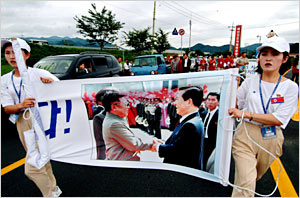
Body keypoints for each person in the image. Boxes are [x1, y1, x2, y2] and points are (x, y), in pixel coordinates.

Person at [228, 35, 298, 197]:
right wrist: (230, 87)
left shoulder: (291, 87)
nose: (268, 58)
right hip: (245, 134)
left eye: (275, 54)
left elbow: (279, 119)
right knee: (246, 183)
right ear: (259, 58)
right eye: (264, 54)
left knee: (254, 177)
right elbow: (236, 105)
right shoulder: (249, 82)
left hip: (272, 138)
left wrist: (246, 114)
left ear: (285, 58)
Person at [1, 38, 62, 197]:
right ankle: (54, 189)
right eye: (8, 53)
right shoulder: (5, 79)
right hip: (22, 121)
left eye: (16, 52)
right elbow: (7, 108)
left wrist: (49, 85)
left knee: (32, 167)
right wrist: (21, 105)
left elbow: (63, 93)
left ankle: (49, 194)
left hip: (42, 119)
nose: (11, 56)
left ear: (27, 55)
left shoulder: (39, 73)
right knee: (41, 158)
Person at [101, 89, 159, 161]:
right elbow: (134, 144)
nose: (128, 107)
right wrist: (152, 144)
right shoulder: (114, 124)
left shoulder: (116, 119)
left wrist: (150, 140)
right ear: (114, 107)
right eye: (127, 104)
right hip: (122, 164)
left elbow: (129, 136)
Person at [158, 86, 205, 170]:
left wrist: (157, 147)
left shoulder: (190, 125)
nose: (175, 103)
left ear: (189, 102)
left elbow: (177, 152)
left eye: (178, 99)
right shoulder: (193, 120)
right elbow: (182, 144)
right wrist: (163, 143)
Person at [200, 92, 219, 171]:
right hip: (202, 141)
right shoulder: (203, 114)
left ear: (218, 102)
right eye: (209, 99)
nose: (210, 102)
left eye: (213, 100)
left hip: (212, 143)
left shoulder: (219, 115)